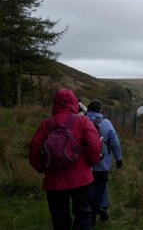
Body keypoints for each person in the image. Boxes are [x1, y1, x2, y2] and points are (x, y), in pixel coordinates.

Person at [29, 88, 101, 230]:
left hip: (54, 181)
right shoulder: (83, 122)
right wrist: (91, 162)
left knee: (60, 219)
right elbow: (94, 147)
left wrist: (43, 168)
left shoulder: (46, 125)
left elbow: (34, 152)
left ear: (55, 104)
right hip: (81, 179)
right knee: (83, 214)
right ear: (74, 103)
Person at [85, 99, 123, 223]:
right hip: (101, 163)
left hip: (84, 164)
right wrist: (119, 159)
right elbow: (115, 142)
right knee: (101, 188)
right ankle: (98, 208)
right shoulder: (106, 123)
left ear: (88, 109)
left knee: (86, 188)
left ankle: (89, 213)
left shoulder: (81, 120)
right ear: (100, 110)